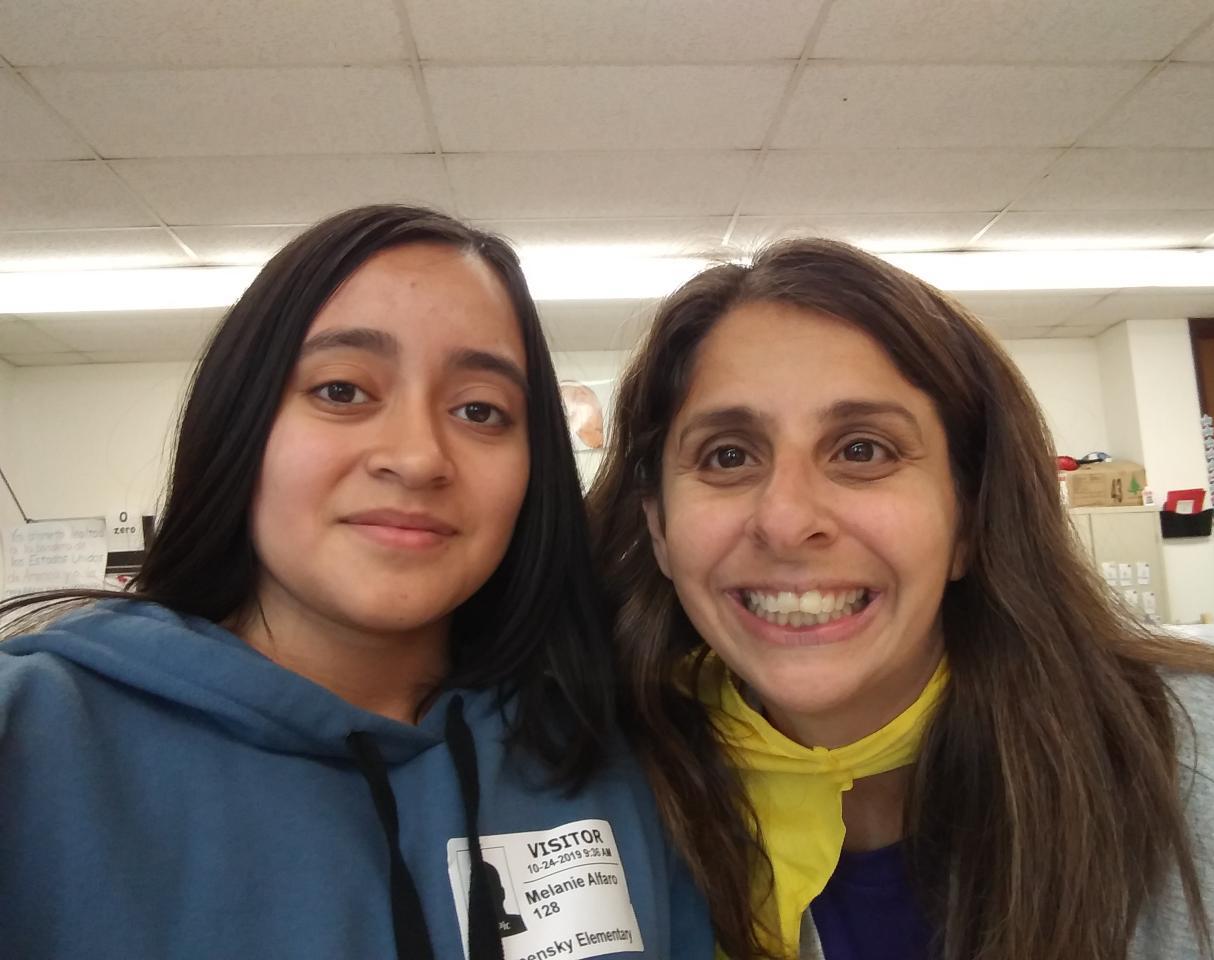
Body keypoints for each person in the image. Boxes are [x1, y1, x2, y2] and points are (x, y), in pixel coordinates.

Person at [0, 205, 712, 960]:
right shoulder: (35, 740)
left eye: (480, 410)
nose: (417, 457)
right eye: (342, 391)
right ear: (240, 421)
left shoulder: (610, 750)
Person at [588, 238, 1214, 960]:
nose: (786, 520)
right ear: (659, 529)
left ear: (971, 517)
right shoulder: (598, 797)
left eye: (862, 450)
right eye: (727, 456)